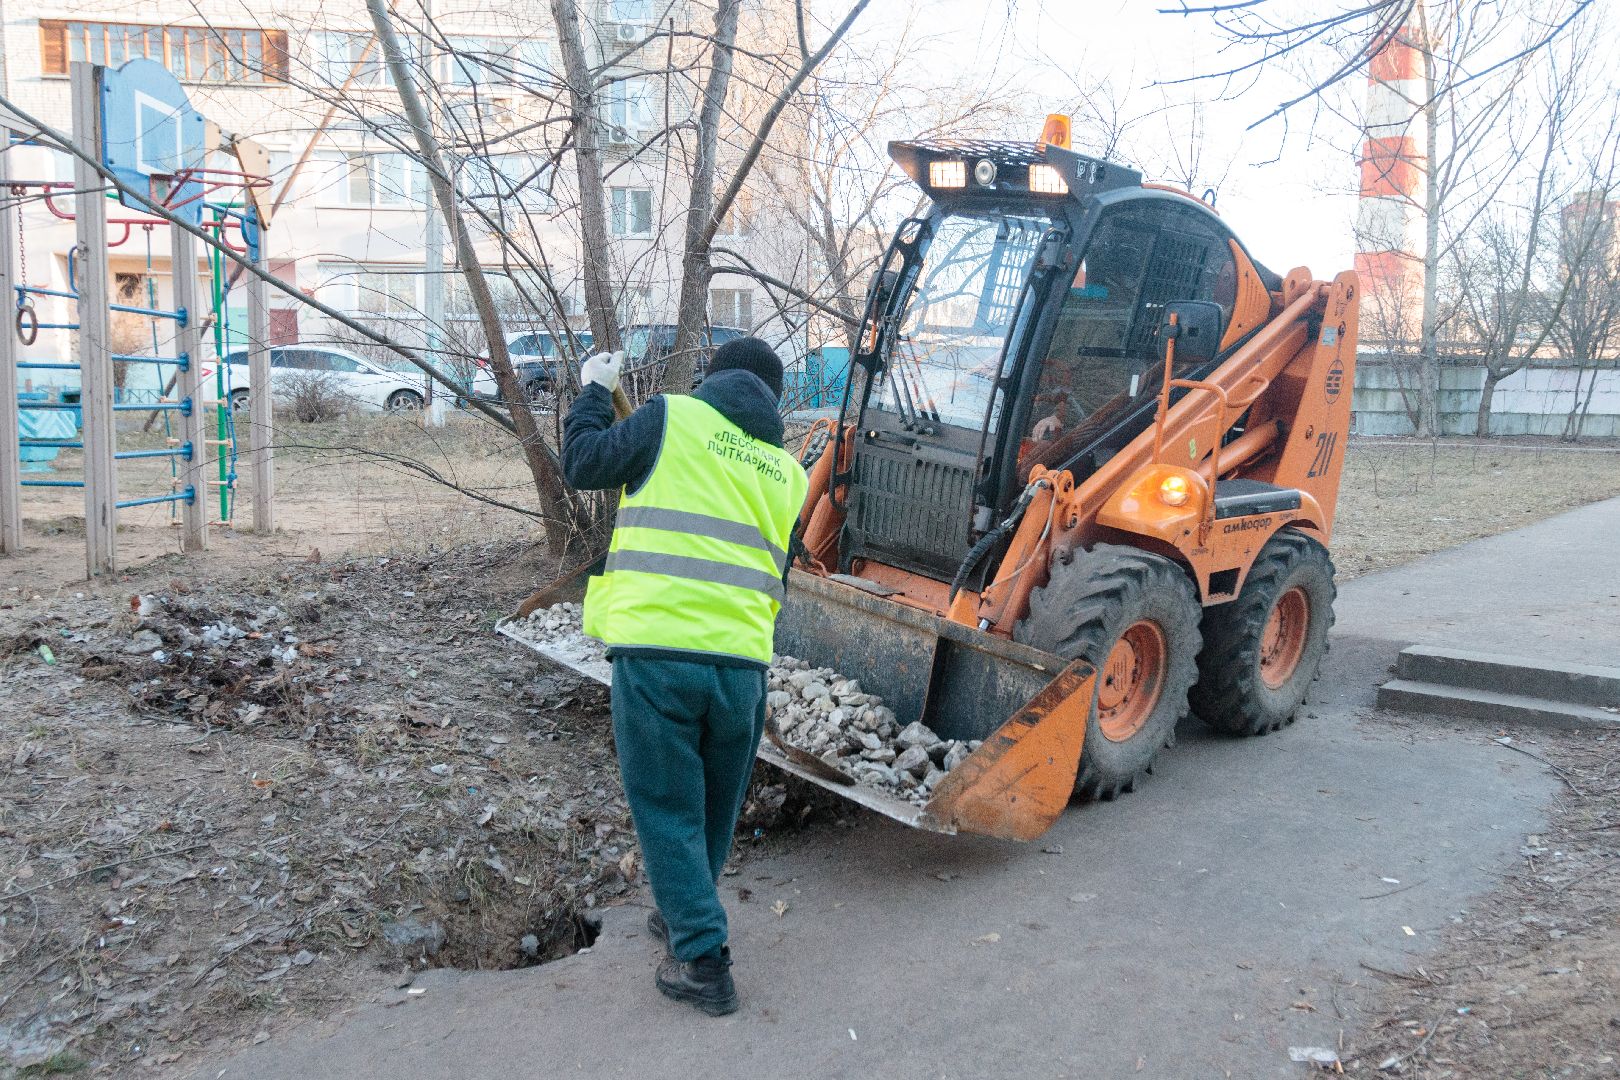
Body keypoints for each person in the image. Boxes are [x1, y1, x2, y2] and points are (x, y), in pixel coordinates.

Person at [561, 337, 808, 1017]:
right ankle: (683, 910)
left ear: (711, 377)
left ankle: (702, 960)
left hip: (658, 656)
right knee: (712, 809)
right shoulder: (789, 473)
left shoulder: (671, 417)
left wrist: (592, 391)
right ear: (774, 398)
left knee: (668, 807)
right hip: (742, 667)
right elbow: (777, 574)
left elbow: (583, 463)